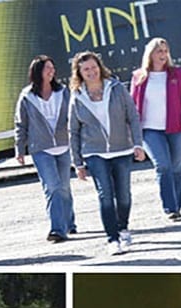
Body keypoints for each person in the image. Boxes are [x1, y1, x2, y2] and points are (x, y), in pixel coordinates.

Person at [68, 51, 145, 257]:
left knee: (124, 195)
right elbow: (73, 131)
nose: (91, 72)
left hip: (122, 149)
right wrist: (78, 163)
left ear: (100, 67)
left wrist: (138, 144)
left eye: (93, 67)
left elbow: (133, 117)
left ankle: (123, 228)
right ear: (80, 73)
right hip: (95, 152)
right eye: (86, 69)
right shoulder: (77, 97)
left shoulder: (117, 88)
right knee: (105, 196)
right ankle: (112, 238)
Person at [131, 38, 181, 221]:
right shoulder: (139, 77)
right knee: (162, 165)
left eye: (165, 51)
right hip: (150, 130)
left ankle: (177, 205)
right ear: (150, 54)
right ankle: (170, 207)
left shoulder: (176, 74)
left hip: (177, 128)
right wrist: (133, 132)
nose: (163, 55)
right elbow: (132, 106)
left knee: (176, 167)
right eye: (159, 51)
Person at [14, 55, 76, 243]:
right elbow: (20, 123)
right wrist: (19, 148)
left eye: (52, 67)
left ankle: (69, 223)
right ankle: (57, 229)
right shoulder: (27, 96)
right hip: (41, 149)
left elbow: (74, 116)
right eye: (47, 68)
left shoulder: (63, 92)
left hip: (64, 146)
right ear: (37, 71)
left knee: (64, 187)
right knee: (52, 187)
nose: (52, 71)